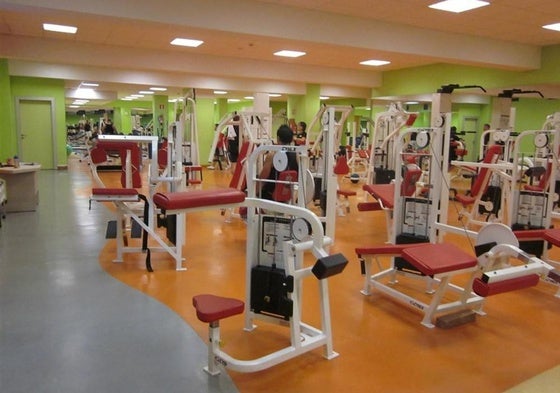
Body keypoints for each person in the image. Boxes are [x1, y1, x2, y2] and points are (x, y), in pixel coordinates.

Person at [259, 125, 298, 201]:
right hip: (287, 197)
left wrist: (252, 193)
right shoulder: (296, 155)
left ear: (278, 138)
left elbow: (262, 180)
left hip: (269, 196)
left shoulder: (271, 156)